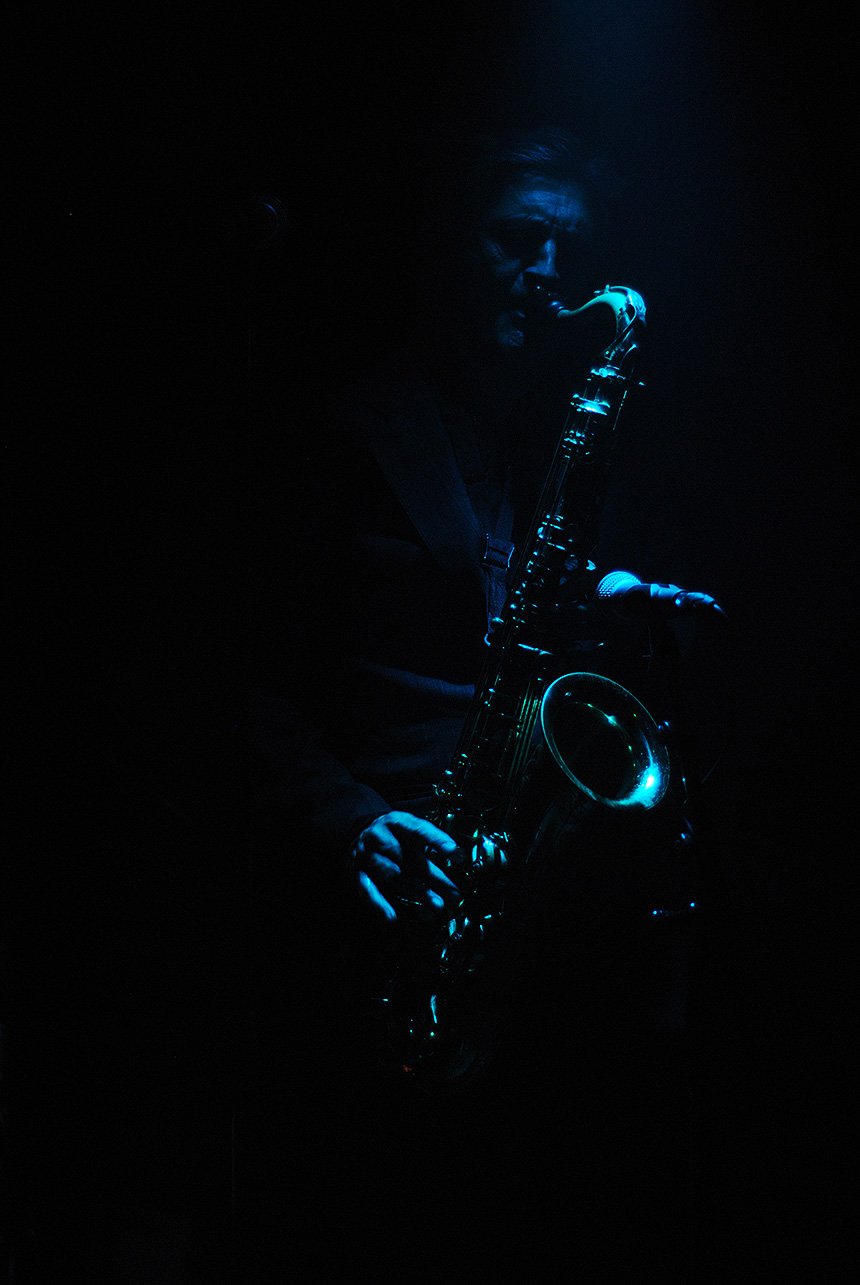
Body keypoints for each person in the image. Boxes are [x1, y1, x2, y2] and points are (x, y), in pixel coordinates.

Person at [243, 124, 723, 1272]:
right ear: (447, 247)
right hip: (379, 876)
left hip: (508, 892)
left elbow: (513, 621)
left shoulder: (551, 436)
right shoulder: (337, 422)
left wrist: (616, 599)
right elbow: (230, 669)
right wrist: (348, 821)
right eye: (518, 240)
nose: (547, 273)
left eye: (569, 249)